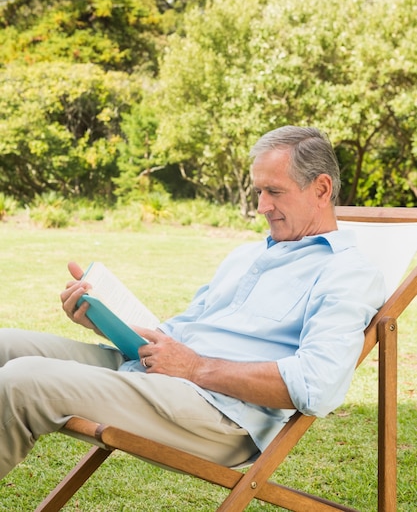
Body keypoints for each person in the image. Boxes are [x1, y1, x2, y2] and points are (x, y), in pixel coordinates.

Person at [0, 125, 385, 480]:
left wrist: (196, 368)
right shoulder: (246, 255)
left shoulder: (347, 272)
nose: (261, 206)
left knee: (21, 381)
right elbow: (174, 334)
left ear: (321, 189)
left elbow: (318, 387)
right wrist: (101, 319)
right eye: (258, 192)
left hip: (219, 413)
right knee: (4, 344)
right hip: (157, 373)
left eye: (275, 192)